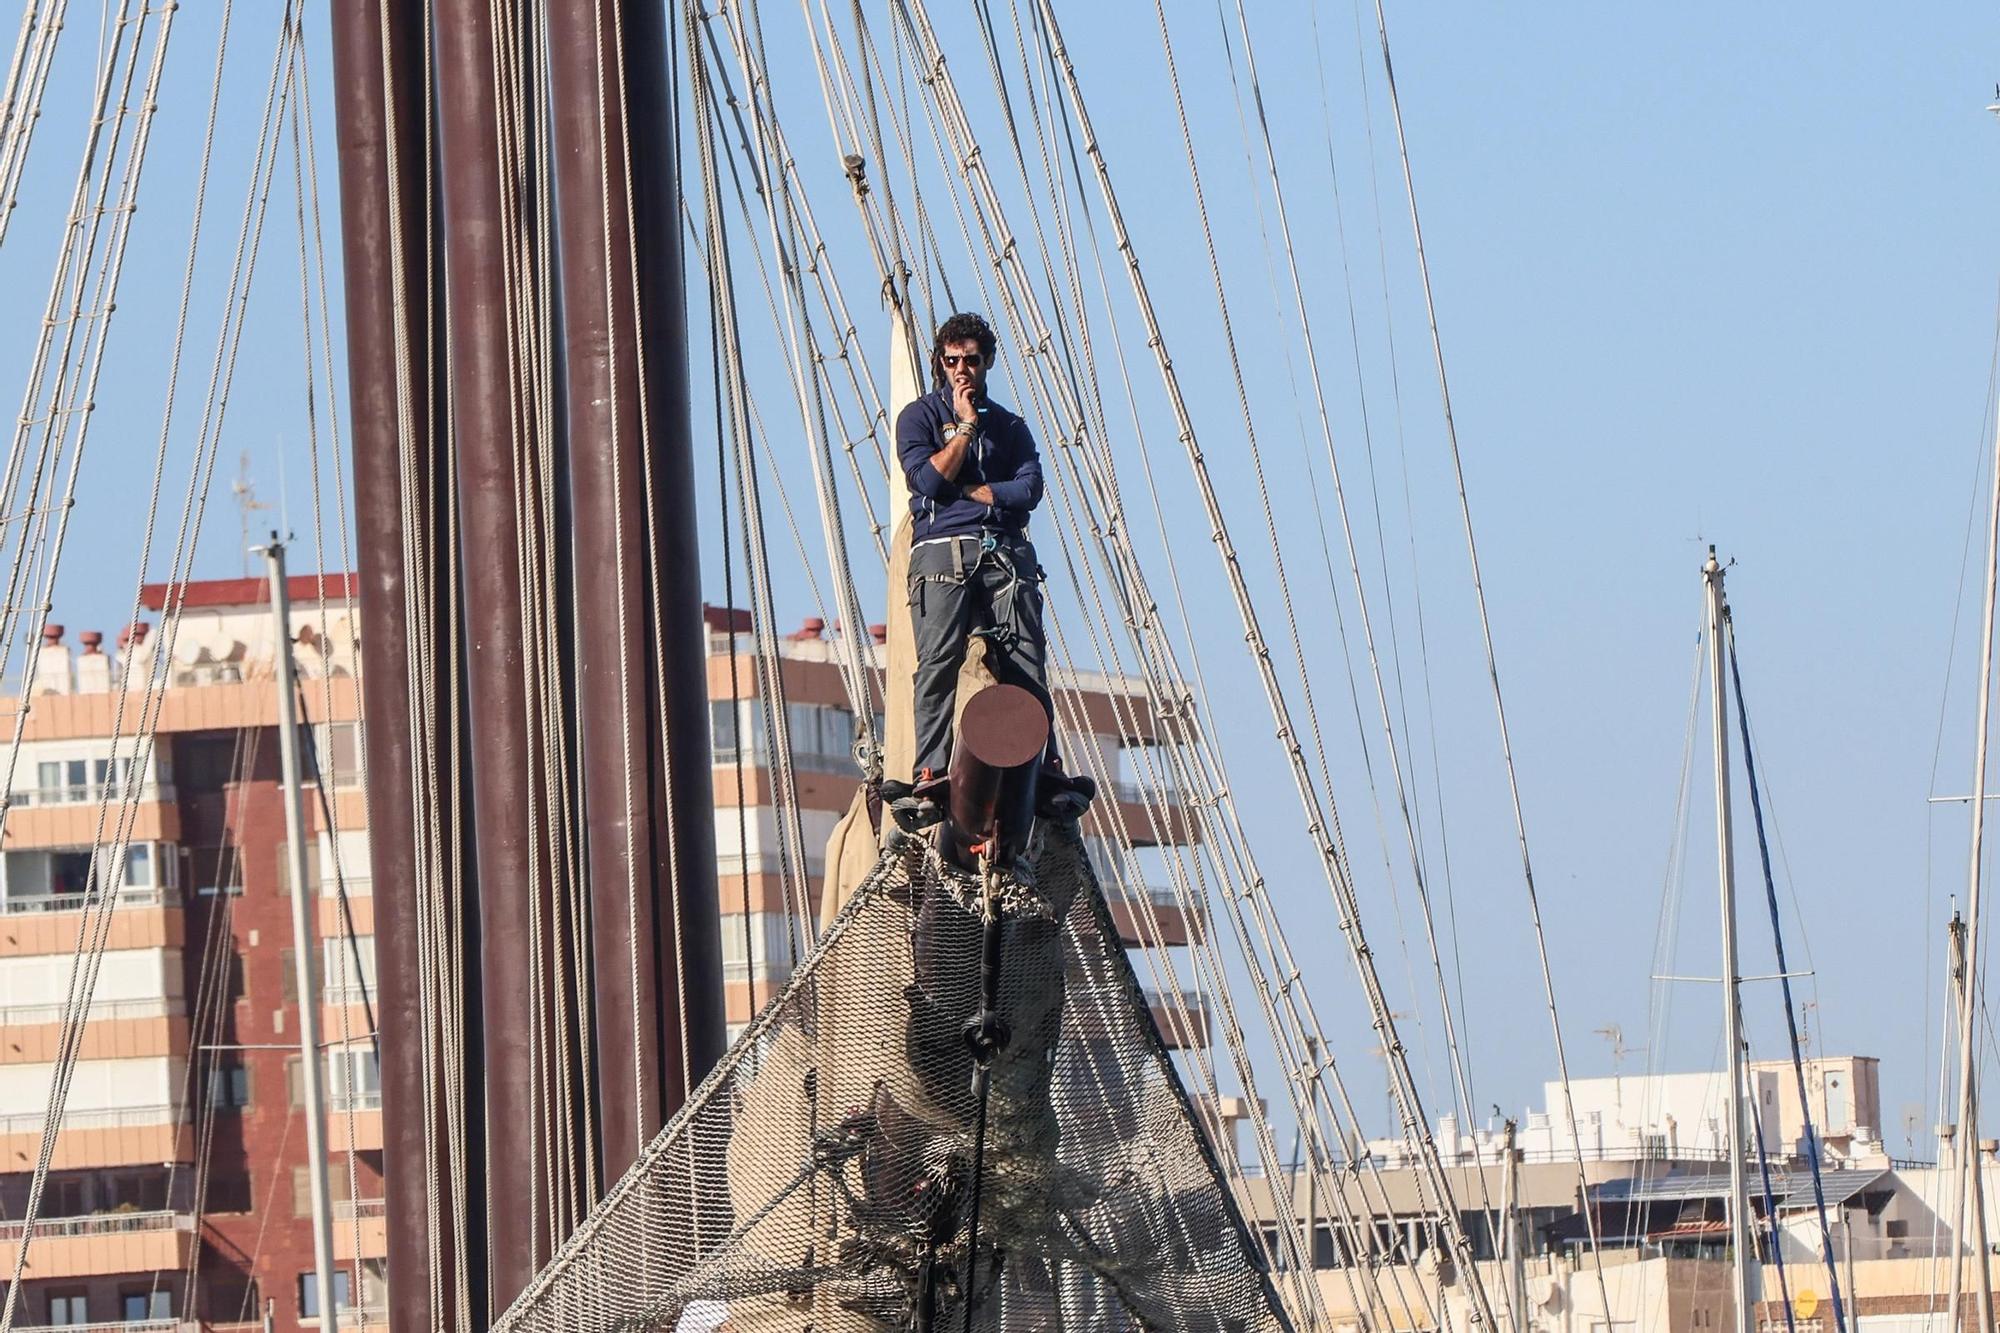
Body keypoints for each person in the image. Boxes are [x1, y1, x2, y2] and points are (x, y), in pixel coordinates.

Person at [882, 312, 1091, 828]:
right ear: (940, 363)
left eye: (970, 361)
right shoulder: (918, 419)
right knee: (938, 662)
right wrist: (966, 430)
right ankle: (930, 769)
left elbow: (1029, 491)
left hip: (1004, 556)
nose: (961, 371)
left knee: (1025, 663)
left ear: (987, 363)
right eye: (951, 361)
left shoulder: (1012, 427)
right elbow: (927, 483)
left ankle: (1045, 769)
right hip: (942, 557)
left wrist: (971, 492)